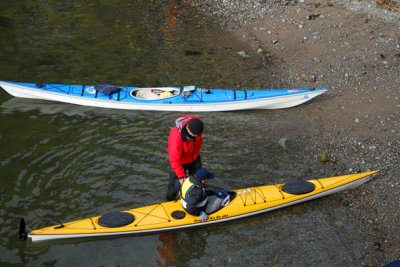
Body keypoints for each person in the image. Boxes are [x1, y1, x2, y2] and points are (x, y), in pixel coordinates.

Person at [167, 115, 204, 201]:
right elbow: (174, 159)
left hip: (194, 158)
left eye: (197, 135)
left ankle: (196, 199)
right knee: (174, 187)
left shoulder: (198, 124)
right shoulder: (176, 137)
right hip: (179, 162)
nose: (196, 137)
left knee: (199, 181)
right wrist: (181, 176)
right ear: (187, 129)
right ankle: (169, 200)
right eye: (194, 135)